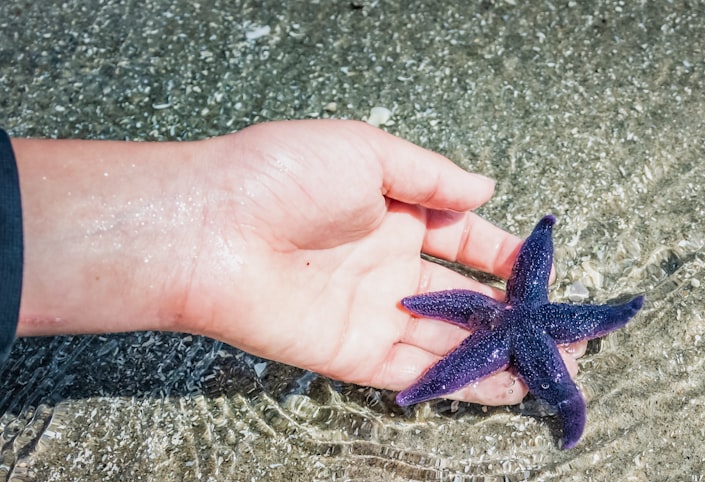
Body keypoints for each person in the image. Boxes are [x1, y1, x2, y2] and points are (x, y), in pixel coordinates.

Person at [0, 121, 583, 405]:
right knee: (495, 370)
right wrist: (208, 214)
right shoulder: (499, 311)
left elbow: (495, 303)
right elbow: (464, 304)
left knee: (498, 370)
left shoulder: (498, 313)